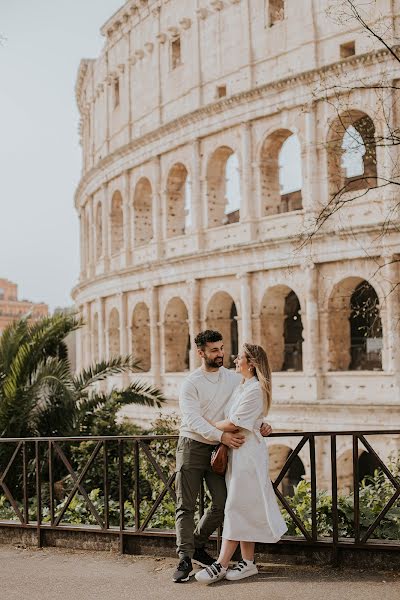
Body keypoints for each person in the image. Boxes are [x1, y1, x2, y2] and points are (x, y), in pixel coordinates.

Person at [173, 331, 272, 583]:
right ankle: (184, 558)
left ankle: (196, 544)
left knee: (223, 502)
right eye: (214, 350)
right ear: (200, 353)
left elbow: (246, 406)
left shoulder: (232, 378)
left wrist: (260, 423)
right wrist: (222, 436)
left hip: (220, 450)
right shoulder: (191, 382)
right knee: (186, 504)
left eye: (222, 348)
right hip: (193, 445)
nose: (220, 354)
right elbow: (192, 420)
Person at [195, 343, 287, 585]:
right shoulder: (243, 386)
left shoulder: (255, 389)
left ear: (252, 363)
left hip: (247, 455)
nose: (235, 360)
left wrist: (205, 424)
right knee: (243, 505)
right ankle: (247, 562)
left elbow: (235, 422)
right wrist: (261, 423)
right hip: (239, 452)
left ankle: (222, 563)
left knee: (235, 505)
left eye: (240, 357)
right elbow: (249, 418)